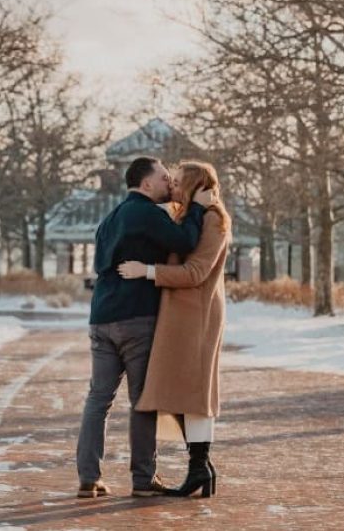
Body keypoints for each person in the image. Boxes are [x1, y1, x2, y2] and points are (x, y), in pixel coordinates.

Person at [75, 156, 214, 498]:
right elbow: (184, 241)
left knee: (98, 400)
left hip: (101, 318)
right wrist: (197, 208)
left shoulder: (109, 220)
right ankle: (142, 479)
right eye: (165, 178)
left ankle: (88, 478)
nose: (170, 183)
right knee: (142, 401)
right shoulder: (147, 213)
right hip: (137, 318)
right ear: (147, 183)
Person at [118, 161, 230, 498]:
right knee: (181, 394)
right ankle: (201, 468)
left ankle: (200, 467)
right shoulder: (189, 214)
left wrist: (146, 271)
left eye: (180, 182)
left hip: (196, 316)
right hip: (179, 316)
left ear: (196, 185)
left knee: (194, 395)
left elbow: (196, 271)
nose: (174, 187)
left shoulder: (214, 219)